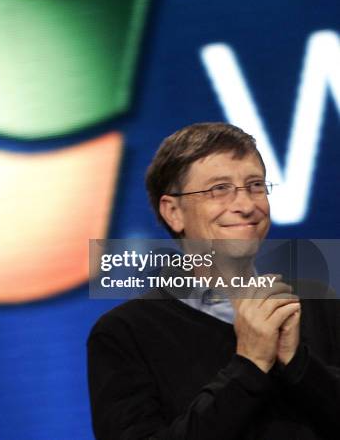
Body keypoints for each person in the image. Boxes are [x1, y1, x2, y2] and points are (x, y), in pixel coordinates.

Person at [87, 122, 340, 439]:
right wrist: (249, 364)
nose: (246, 205)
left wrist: (297, 363)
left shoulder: (318, 303)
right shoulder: (124, 334)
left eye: (256, 186)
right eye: (219, 189)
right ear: (174, 212)